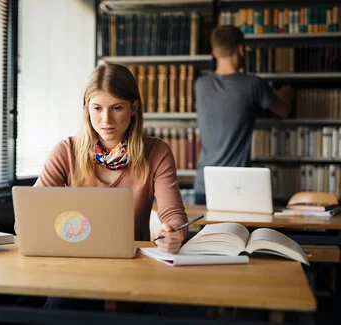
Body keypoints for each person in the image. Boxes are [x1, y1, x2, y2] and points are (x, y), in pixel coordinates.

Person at [35, 63, 189, 310]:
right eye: (97, 108)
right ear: (87, 109)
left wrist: (174, 233)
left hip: (135, 267)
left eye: (116, 108)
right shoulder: (66, 151)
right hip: (76, 267)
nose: (106, 120)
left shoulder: (157, 151)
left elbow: (173, 214)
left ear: (134, 108)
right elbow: (31, 213)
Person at [193, 25, 293, 205]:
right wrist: (285, 95)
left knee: (207, 235)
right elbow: (284, 110)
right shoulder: (254, 85)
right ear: (241, 49)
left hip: (204, 185)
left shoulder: (200, 85)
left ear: (214, 52)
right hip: (236, 188)